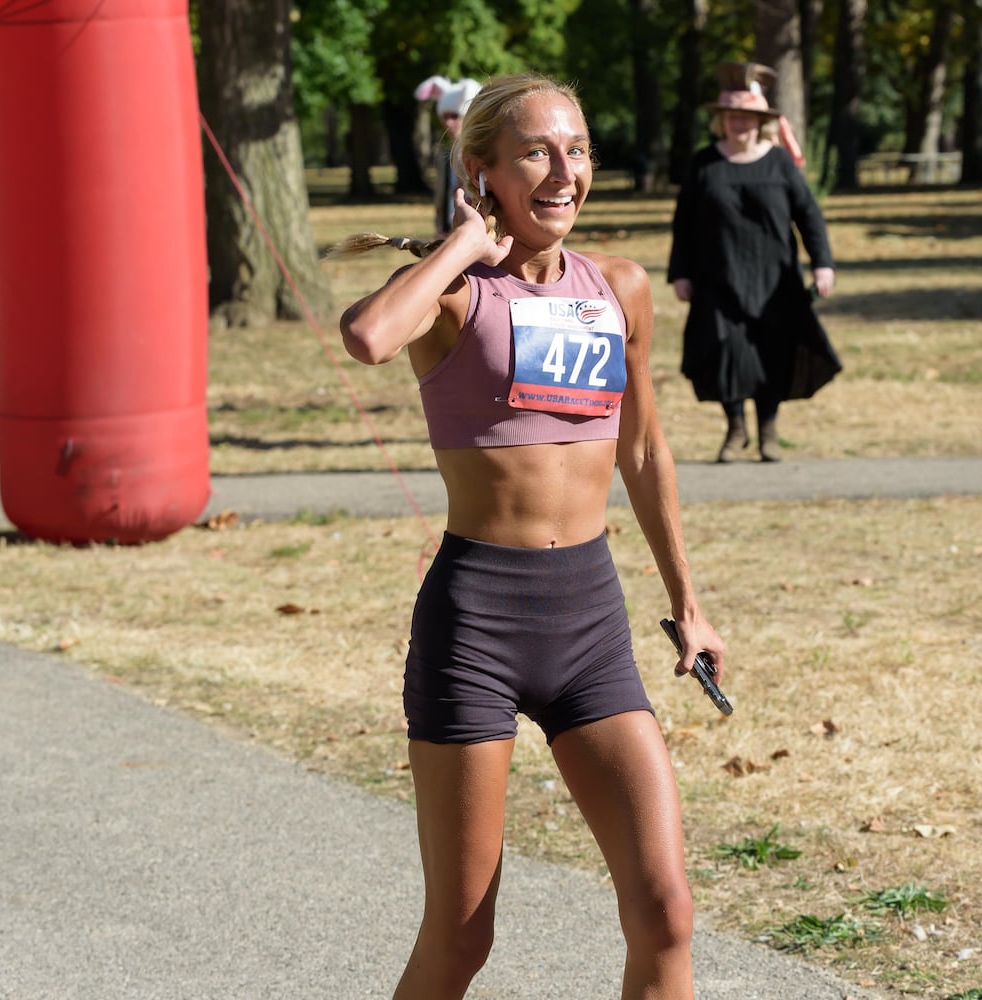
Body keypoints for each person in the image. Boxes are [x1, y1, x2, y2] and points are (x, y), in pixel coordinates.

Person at [338, 73, 725, 1000]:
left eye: (578, 149)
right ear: (485, 173)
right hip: (477, 625)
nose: (564, 171)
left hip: (589, 621)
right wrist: (462, 243)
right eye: (536, 153)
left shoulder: (620, 288)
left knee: (667, 912)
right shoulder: (453, 296)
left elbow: (643, 450)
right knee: (462, 936)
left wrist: (689, 604)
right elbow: (367, 335)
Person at [667, 62, 839, 463]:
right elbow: (684, 222)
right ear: (721, 121)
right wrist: (681, 273)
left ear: (759, 122)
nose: (737, 125)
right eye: (730, 118)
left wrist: (823, 263)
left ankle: (768, 431)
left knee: (770, 354)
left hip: (774, 278)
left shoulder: (779, 163)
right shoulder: (704, 164)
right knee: (726, 353)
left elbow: (808, 215)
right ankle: (734, 430)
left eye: (745, 119)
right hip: (717, 276)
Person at [414, 76, 483, 237]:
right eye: (445, 117)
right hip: (449, 229)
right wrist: (441, 223)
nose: (448, 123)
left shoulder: (480, 154)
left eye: (454, 116)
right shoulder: (445, 153)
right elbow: (443, 193)